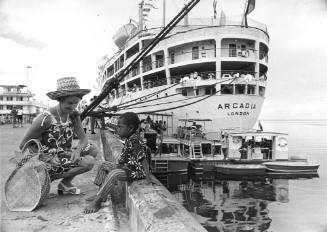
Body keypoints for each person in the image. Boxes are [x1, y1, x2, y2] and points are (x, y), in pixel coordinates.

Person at [19, 77, 98, 195]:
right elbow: (24, 145)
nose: (73, 107)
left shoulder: (73, 115)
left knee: (92, 149)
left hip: (64, 154)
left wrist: (77, 152)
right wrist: (47, 158)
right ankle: (47, 178)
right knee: (88, 162)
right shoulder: (45, 119)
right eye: (69, 103)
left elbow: (83, 138)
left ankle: (65, 183)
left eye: (76, 103)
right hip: (47, 161)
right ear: (60, 100)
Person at [84, 112, 153, 214]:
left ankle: (97, 201)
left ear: (130, 128)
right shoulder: (129, 138)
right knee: (104, 165)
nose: (117, 129)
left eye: (120, 127)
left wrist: (148, 179)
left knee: (114, 174)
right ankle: (100, 193)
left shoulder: (135, 141)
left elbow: (143, 160)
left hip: (134, 171)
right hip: (125, 167)